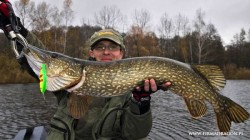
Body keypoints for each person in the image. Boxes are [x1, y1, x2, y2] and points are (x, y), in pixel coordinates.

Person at [0, 1, 170, 139]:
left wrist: (141, 102)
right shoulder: (66, 85)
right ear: (91, 52)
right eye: (100, 47)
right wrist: (17, 29)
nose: (106, 51)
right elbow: (38, 57)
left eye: (112, 47)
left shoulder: (129, 92)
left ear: (122, 53)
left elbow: (135, 134)